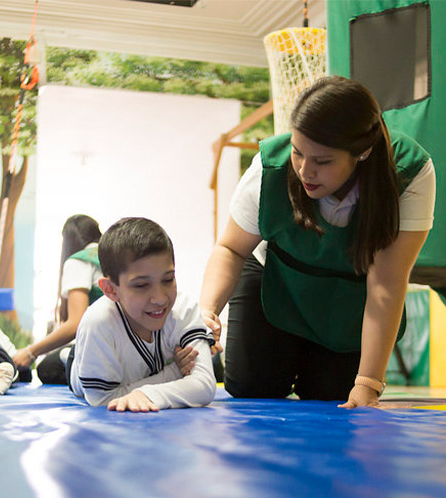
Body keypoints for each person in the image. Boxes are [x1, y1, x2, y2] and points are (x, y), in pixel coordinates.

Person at [199, 76, 436, 408]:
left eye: (322, 161)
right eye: (298, 152)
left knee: (333, 394)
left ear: (363, 152)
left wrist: (368, 384)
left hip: (349, 295)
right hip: (277, 279)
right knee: (252, 385)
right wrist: (208, 310)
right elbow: (231, 248)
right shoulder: (271, 166)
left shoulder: (409, 172)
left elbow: (387, 282)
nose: (304, 170)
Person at [68, 217, 217, 412]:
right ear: (111, 290)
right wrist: (173, 373)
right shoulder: (98, 323)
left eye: (168, 279)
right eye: (141, 285)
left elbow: (204, 384)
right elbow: (102, 399)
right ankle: (65, 355)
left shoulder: (184, 309)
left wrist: (147, 394)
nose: (160, 298)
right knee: (49, 369)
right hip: (81, 359)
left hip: (136, 368)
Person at [14, 214, 102, 384]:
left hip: (102, 349)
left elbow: (76, 324)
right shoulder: (112, 257)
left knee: (47, 368)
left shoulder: (79, 260)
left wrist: (30, 352)